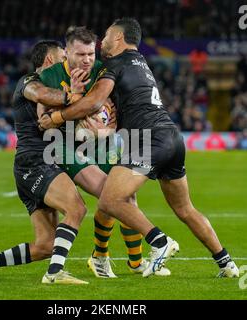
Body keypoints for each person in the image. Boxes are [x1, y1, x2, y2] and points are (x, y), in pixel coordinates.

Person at [39, 18, 239, 278]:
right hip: (171, 137)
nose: (104, 42)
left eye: (108, 36)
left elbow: (93, 103)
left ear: (120, 39)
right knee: (185, 208)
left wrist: (56, 118)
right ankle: (227, 263)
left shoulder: (115, 64)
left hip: (147, 139)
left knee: (111, 200)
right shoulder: (141, 63)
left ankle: (159, 242)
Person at [38, 26, 171, 277]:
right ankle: (107, 255)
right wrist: (73, 113)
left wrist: (106, 130)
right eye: (81, 54)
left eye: (90, 54)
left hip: (103, 142)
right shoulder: (51, 76)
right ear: (66, 53)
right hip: (65, 146)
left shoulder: (103, 70)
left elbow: (114, 108)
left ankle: (130, 260)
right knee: (112, 197)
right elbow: (43, 122)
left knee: (126, 198)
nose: (88, 59)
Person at [0, 40, 89, 285]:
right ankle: (54, 274)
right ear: (49, 60)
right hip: (35, 163)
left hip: (37, 165)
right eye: (63, 58)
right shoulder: (29, 82)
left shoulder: (57, 86)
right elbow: (42, 95)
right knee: (77, 208)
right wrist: (74, 95)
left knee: (45, 246)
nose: (67, 63)